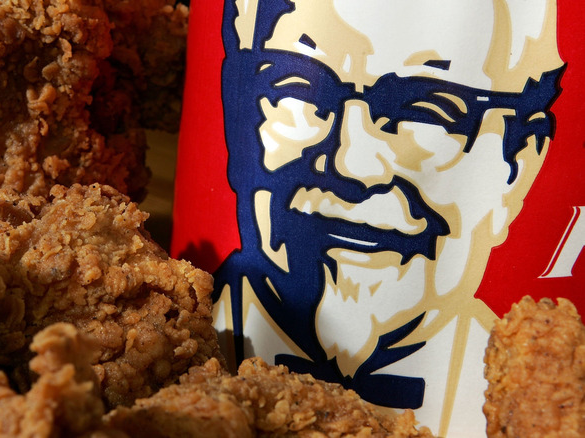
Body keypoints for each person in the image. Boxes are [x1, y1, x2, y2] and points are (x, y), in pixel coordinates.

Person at [212, 0, 564, 435]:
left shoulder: (550, 402)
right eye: (298, 89)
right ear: (236, 109)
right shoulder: (146, 349)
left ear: (518, 166)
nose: (353, 165)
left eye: (428, 111)